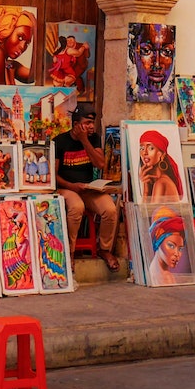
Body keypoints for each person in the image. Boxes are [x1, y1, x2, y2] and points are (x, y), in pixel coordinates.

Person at [53, 108, 120, 271]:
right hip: (66, 187)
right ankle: (69, 252)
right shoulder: (59, 141)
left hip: (88, 188)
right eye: (87, 123)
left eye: (92, 123)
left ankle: (104, 249)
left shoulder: (93, 139)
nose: (91, 126)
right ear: (76, 124)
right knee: (77, 207)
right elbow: (53, 175)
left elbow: (100, 164)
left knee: (110, 209)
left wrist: (84, 141)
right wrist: (71, 186)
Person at [0, 7, 37, 85]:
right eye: (20, 37)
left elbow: (33, 77)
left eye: (27, 43)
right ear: (8, 31)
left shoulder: (10, 65)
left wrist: (36, 33)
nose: (22, 47)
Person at [146, 206, 187, 284]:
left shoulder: (152, 270)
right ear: (158, 241)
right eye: (171, 246)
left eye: (180, 249)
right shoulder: (166, 277)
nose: (177, 254)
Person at [137, 130, 183, 200]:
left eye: (151, 148)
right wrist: (146, 185)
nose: (145, 152)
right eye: (142, 148)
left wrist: (146, 191)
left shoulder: (161, 183)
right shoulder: (158, 180)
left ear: (162, 154)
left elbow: (147, 207)